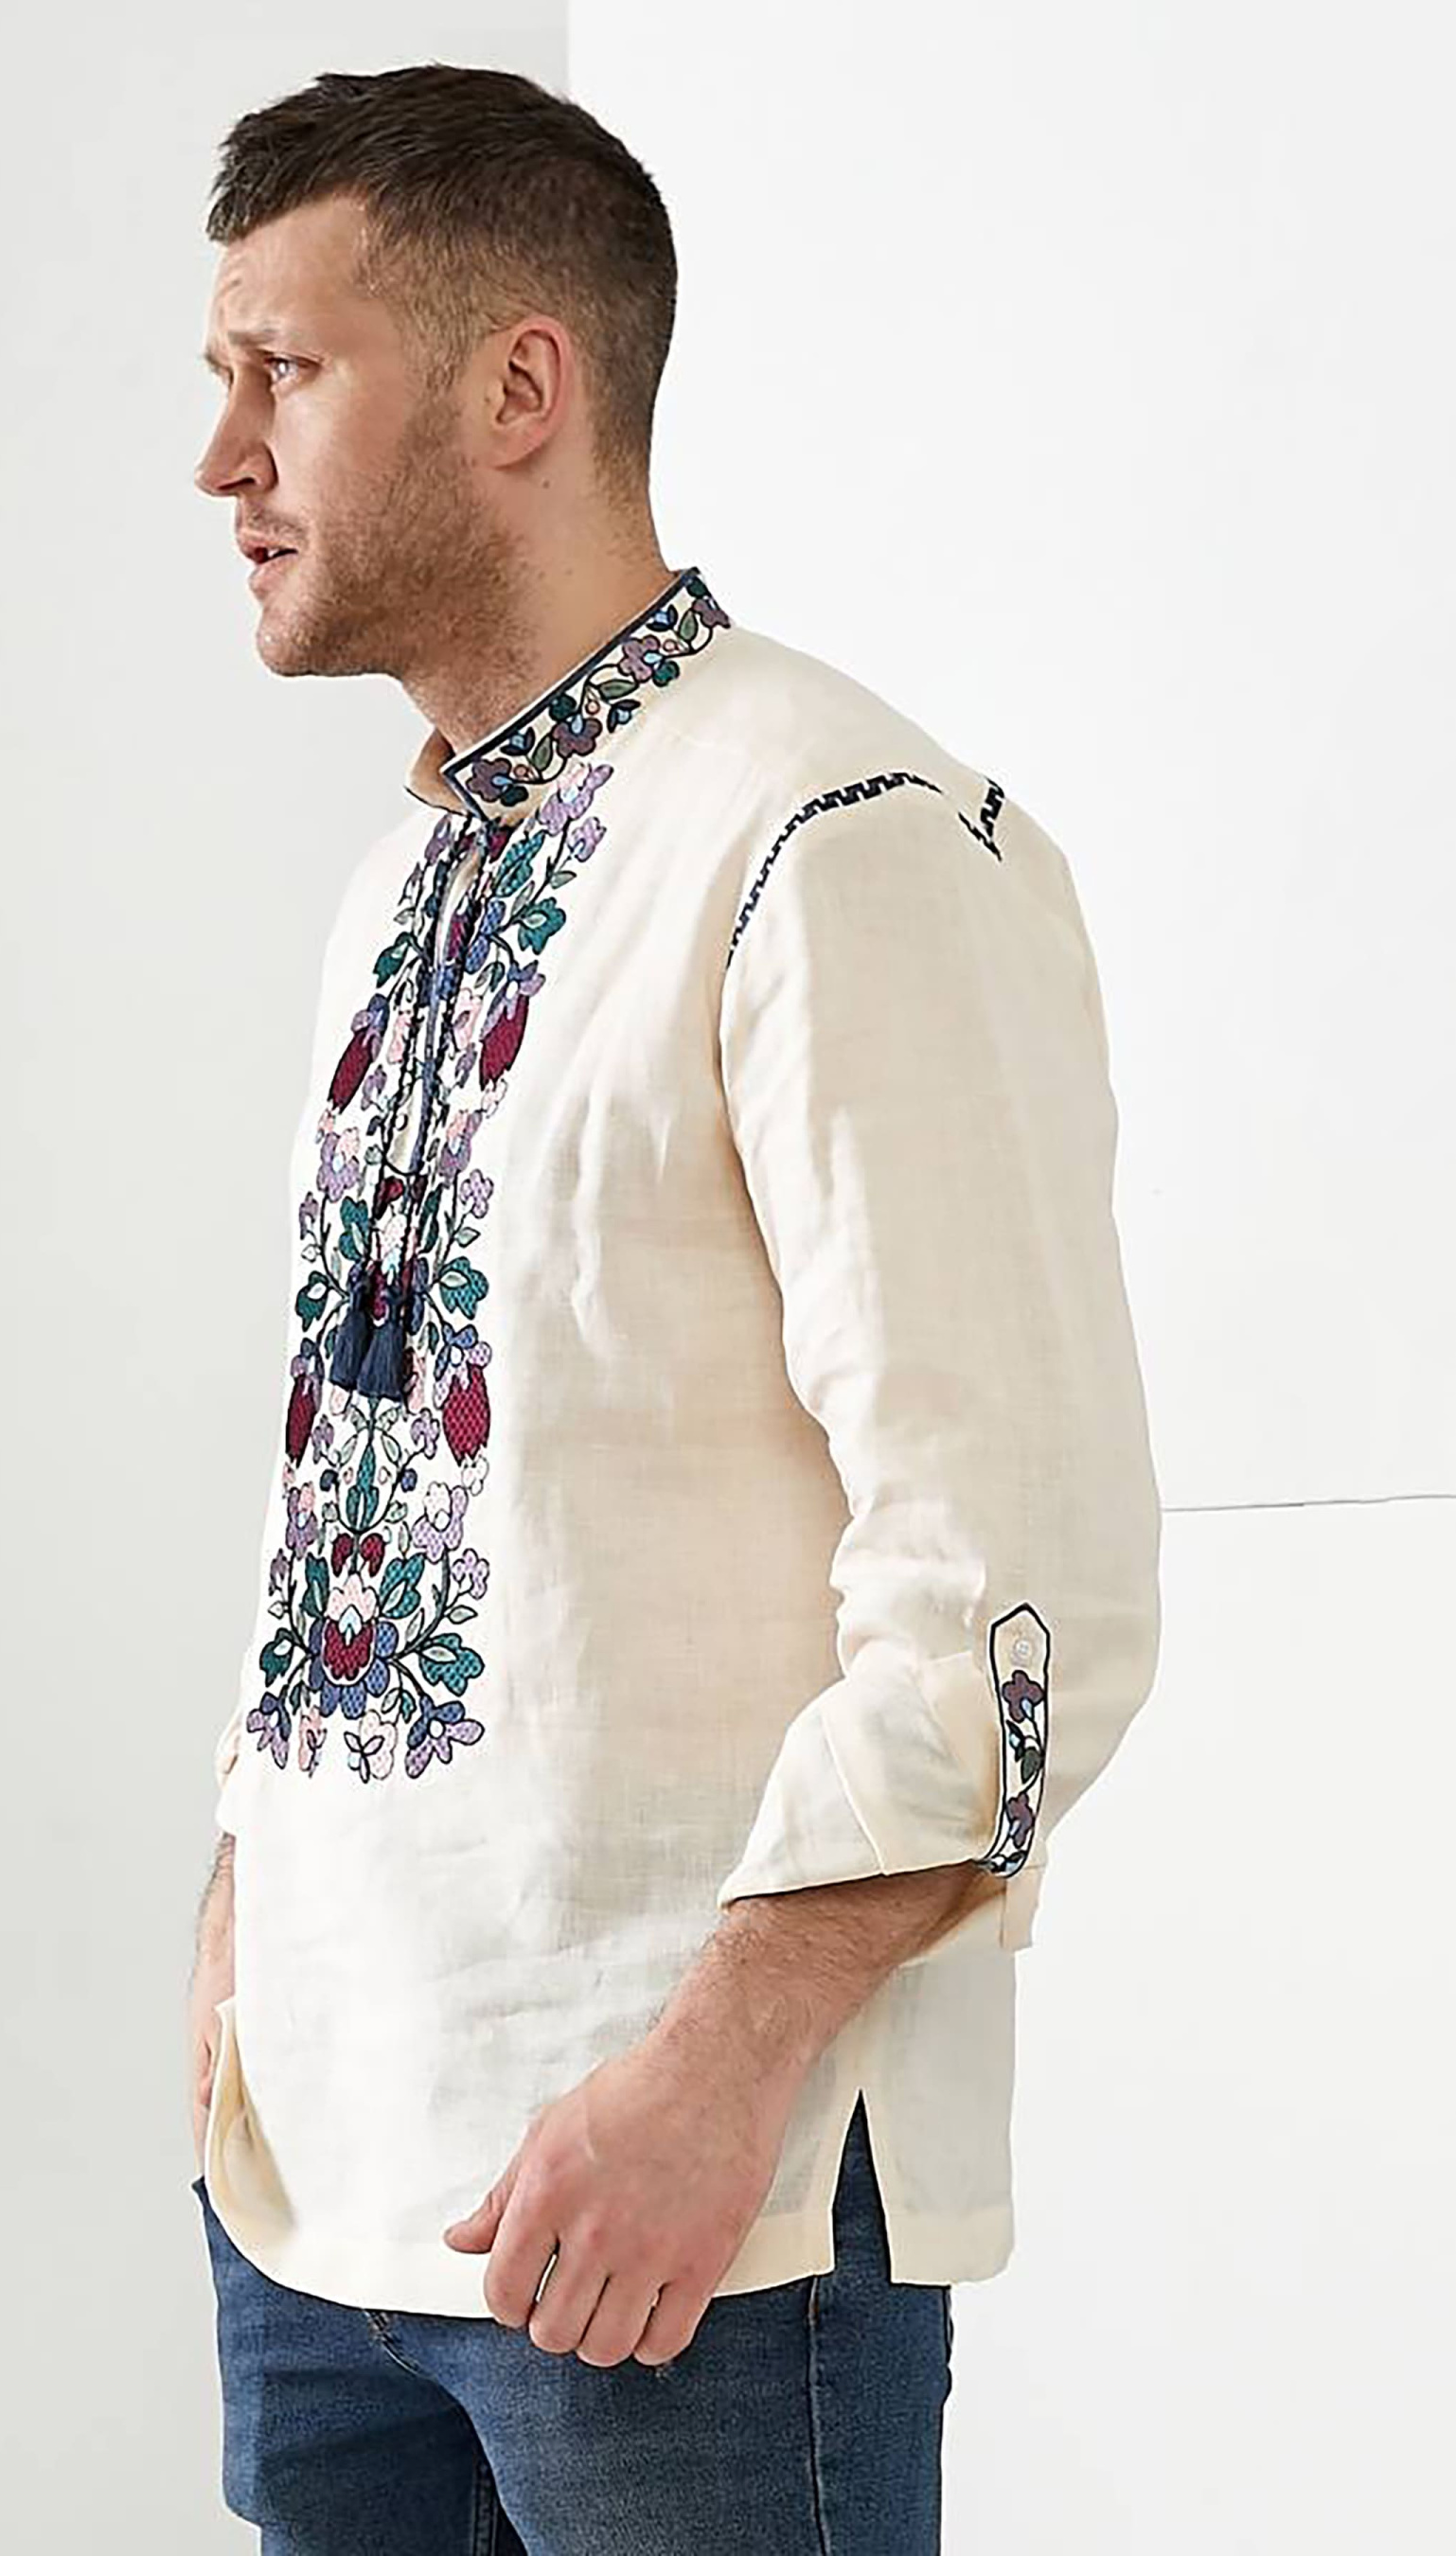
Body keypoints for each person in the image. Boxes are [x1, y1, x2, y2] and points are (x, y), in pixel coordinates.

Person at [182, 61, 1161, 2556]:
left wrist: (710, 2081)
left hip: (683, 2228)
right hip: (322, 2202)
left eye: (284, 371)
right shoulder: (399, 888)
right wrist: (241, 1902)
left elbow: (1021, 1589)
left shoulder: (833, 838)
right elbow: (367, 1485)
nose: (220, 458)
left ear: (521, 382)